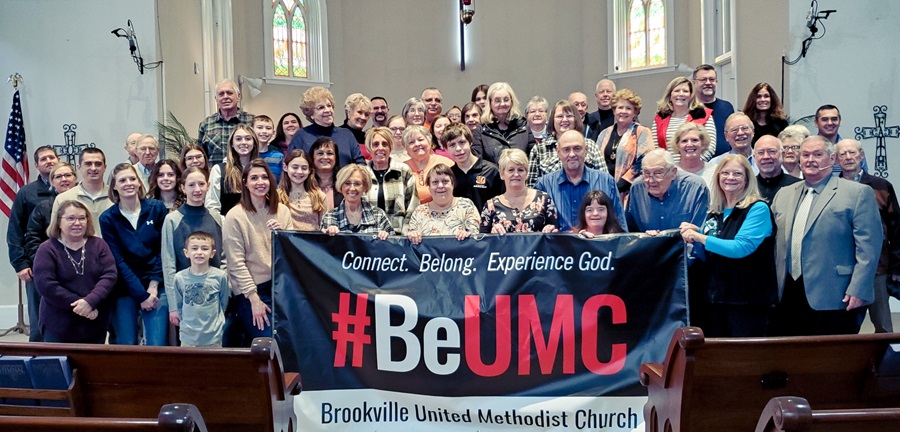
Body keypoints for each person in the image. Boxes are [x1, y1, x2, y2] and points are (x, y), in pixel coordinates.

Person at [769, 136, 882, 336]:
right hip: (788, 293)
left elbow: (869, 248)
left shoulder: (857, 193)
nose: (810, 159)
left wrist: (859, 288)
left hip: (836, 295)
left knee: (832, 362)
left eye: (817, 154)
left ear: (832, 159)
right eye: (805, 155)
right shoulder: (784, 194)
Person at [680, 155, 777, 337]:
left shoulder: (758, 209)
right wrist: (696, 231)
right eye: (725, 173)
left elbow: (739, 248)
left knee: (743, 360)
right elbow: (716, 240)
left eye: (737, 174)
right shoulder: (716, 210)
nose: (730, 177)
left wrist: (699, 236)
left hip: (747, 303)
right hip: (716, 299)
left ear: (748, 179)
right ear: (717, 177)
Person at [223, 159, 293, 343]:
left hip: (279, 287)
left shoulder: (283, 211)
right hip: (251, 290)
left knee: (294, 338)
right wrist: (254, 299)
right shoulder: (235, 216)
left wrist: (282, 236)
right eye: (254, 178)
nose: (260, 182)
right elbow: (236, 264)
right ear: (245, 183)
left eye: (264, 177)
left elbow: (291, 255)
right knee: (269, 342)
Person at [99, 163, 169, 346]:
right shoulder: (107, 218)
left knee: (156, 343)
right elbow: (118, 261)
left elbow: (163, 250)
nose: (128, 183)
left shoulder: (157, 209)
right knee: (127, 343)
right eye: (122, 180)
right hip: (125, 286)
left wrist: (153, 286)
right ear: (114, 186)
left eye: (132, 179)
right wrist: (141, 295)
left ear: (139, 183)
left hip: (156, 284)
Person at [836, 138, 899, 333]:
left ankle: (885, 362)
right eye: (842, 154)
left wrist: (897, 266)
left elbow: (896, 227)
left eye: (852, 153)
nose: (848, 157)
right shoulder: (832, 187)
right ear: (836, 160)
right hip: (843, 267)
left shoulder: (881, 186)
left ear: (861, 156)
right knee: (846, 324)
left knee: (882, 323)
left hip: (877, 267)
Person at [33, 200, 117, 344]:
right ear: (59, 222)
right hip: (58, 325)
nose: (77, 223)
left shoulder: (99, 245)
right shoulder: (47, 249)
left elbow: (109, 275)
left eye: (82, 218)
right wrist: (82, 305)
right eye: (71, 218)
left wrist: (90, 301)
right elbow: (46, 285)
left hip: (94, 323)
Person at [162, 167, 225, 333]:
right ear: (183, 187)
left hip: (213, 297)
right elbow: (168, 264)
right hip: (186, 300)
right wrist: (174, 306)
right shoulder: (172, 220)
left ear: (208, 185)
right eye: (191, 185)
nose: (197, 189)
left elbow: (224, 257)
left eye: (201, 184)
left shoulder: (216, 217)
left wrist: (226, 291)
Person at [7, 145, 58, 341]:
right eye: (44, 159)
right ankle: (38, 361)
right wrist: (20, 264)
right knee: (38, 320)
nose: (49, 161)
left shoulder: (71, 190)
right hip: (37, 265)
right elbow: (15, 231)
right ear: (36, 165)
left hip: (69, 265)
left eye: (52, 157)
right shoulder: (26, 193)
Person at [535, 130, 625, 232]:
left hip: (597, 246)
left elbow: (620, 227)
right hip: (558, 246)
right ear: (558, 152)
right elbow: (537, 230)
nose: (572, 154)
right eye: (566, 150)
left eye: (577, 149)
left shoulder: (606, 181)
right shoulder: (544, 185)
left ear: (586, 150)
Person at [626, 149, 709, 233]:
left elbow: (701, 232)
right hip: (648, 245)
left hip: (686, 244)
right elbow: (630, 231)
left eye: (658, 173)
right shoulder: (637, 188)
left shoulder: (695, 187)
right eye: (646, 173)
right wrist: (646, 238)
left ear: (673, 172)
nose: (651, 181)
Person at [527, 100, 606, 187]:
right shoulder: (539, 149)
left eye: (569, 116)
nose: (564, 120)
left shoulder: (590, 145)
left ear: (576, 119)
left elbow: (604, 180)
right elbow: (531, 186)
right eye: (560, 116)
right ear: (552, 120)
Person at [171, 232, 229, 348]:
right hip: (188, 338)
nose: (199, 252)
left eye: (204, 248)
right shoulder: (179, 278)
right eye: (194, 248)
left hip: (213, 338)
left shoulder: (221, 276)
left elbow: (223, 304)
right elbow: (179, 305)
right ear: (186, 253)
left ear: (212, 253)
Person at [480, 149, 558, 234]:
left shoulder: (544, 199)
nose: (516, 174)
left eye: (520, 170)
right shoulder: (491, 205)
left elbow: (556, 235)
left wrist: (550, 229)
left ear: (527, 173)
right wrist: (492, 236)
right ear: (502, 174)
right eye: (511, 170)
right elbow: (482, 242)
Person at [595, 88, 653, 198]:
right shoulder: (604, 133)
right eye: (620, 107)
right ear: (614, 110)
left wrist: (621, 184)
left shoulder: (641, 132)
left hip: (630, 191)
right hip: (604, 189)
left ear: (635, 112)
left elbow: (644, 161)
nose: (623, 111)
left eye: (628, 108)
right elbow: (596, 158)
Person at [288, 86, 365, 166]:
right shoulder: (302, 135)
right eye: (321, 107)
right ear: (311, 114)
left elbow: (361, 164)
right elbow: (292, 164)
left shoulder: (346, 134)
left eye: (329, 106)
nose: (328, 110)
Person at [407, 164, 480, 244]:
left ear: (453, 184)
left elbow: (475, 236)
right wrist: (413, 235)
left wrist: (467, 235)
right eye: (435, 182)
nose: (440, 186)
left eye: (445, 181)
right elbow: (411, 242)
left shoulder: (466, 206)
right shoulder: (419, 212)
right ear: (429, 188)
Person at [364, 127, 417, 234]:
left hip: (398, 237)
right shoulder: (362, 175)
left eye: (385, 144)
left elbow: (413, 206)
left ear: (390, 147)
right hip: (368, 239)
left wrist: (405, 235)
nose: (380, 148)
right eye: (375, 144)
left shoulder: (403, 171)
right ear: (368, 149)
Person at [651, 76, 717, 163]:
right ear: (670, 95)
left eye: (685, 91)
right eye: (677, 91)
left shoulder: (704, 115)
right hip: (667, 170)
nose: (681, 94)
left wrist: (692, 165)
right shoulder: (660, 118)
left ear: (691, 96)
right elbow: (655, 148)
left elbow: (710, 147)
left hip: (695, 168)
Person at [51, 148, 113, 237]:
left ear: (105, 167)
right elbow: (56, 234)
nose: (93, 168)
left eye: (98, 164)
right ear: (79, 167)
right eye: (88, 164)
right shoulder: (63, 199)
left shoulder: (117, 197)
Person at [321, 164, 393, 239]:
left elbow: (394, 247)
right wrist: (328, 237)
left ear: (365, 187)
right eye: (347, 183)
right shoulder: (329, 217)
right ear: (341, 186)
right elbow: (321, 248)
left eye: (357, 184)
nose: (352, 188)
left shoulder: (378, 215)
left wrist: (386, 238)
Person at [445, 123, 502, 211]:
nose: (458, 149)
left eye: (462, 142)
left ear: (470, 142)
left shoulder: (492, 171)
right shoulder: (449, 175)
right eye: (452, 145)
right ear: (446, 149)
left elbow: (502, 204)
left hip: (487, 223)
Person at [476, 82, 536, 165]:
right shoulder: (481, 130)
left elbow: (533, 159)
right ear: (490, 103)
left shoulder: (524, 126)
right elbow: (478, 163)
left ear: (511, 101)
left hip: (519, 176)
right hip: (492, 177)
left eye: (506, 99)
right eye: (497, 100)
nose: (502, 104)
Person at [198, 79, 255, 165]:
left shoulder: (252, 121)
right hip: (215, 176)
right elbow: (200, 155)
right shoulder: (206, 124)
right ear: (216, 99)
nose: (225, 97)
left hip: (245, 175)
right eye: (221, 94)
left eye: (229, 93)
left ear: (238, 96)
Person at [207, 125, 260, 217]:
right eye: (238, 139)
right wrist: (229, 224)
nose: (243, 142)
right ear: (232, 143)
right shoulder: (219, 170)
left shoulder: (261, 170)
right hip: (226, 226)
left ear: (254, 143)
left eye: (248, 139)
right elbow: (211, 207)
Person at [404, 125, 454, 204]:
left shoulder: (447, 163)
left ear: (429, 142)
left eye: (420, 139)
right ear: (406, 149)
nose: (417, 144)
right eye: (411, 142)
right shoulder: (403, 168)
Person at [278, 149, 327, 231]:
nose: (299, 171)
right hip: (287, 243)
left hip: (312, 243)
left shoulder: (319, 196)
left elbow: (325, 227)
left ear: (309, 171)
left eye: (304, 168)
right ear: (285, 167)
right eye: (295, 167)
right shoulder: (276, 196)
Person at [693, 65, 735, 156]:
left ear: (716, 82)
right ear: (694, 83)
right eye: (703, 79)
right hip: (697, 164)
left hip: (724, 162)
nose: (708, 83)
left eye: (712, 79)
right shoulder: (689, 109)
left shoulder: (727, 107)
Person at [755, 135, 801, 203]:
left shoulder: (798, 185)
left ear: (782, 154)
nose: (766, 157)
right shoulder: (747, 185)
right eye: (761, 152)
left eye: (772, 151)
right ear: (754, 157)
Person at [674, 122, 716, 187]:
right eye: (684, 141)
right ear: (677, 145)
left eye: (695, 140)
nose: (690, 144)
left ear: (703, 144)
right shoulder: (670, 172)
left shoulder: (715, 171)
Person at [310, 137, 342, 211]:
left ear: (336, 158)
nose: (325, 157)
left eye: (329, 153)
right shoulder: (304, 184)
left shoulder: (344, 184)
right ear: (313, 157)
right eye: (320, 153)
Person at [254, 115, 284, 181]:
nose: (264, 131)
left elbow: (282, 182)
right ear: (252, 130)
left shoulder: (279, 157)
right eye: (260, 127)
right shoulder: (246, 156)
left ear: (273, 133)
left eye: (268, 128)